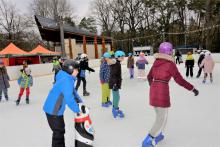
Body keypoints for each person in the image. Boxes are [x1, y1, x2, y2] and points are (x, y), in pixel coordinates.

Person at [142, 42, 199, 147]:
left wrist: (153, 86)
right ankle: (148, 140)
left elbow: (149, 77)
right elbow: (179, 80)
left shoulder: (156, 62)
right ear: (169, 52)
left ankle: (158, 134)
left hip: (153, 91)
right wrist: (192, 88)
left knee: (162, 116)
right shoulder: (170, 64)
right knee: (161, 119)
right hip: (162, 92)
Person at [43, 59, 83, 147]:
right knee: (58, 132)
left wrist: (80, 101)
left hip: (53, 108)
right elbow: (69, 99)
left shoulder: (65, 77)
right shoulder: (66, 80)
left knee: (59, 130)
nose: (78, 72)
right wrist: (78, 110)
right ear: (70, 69)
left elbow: (73, 92)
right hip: (54, 110)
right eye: (76, 70)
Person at [109, 51, 125, 118]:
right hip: (114, 83)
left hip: (115, 82)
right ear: (118, 57)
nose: (123, 58)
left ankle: (115, 108)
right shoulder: (116, 64)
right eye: (122, 57)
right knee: (116, 97)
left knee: (116, 96)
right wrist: (115, 84)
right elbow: (114, 74)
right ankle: (115, 109)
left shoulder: (117, 63)